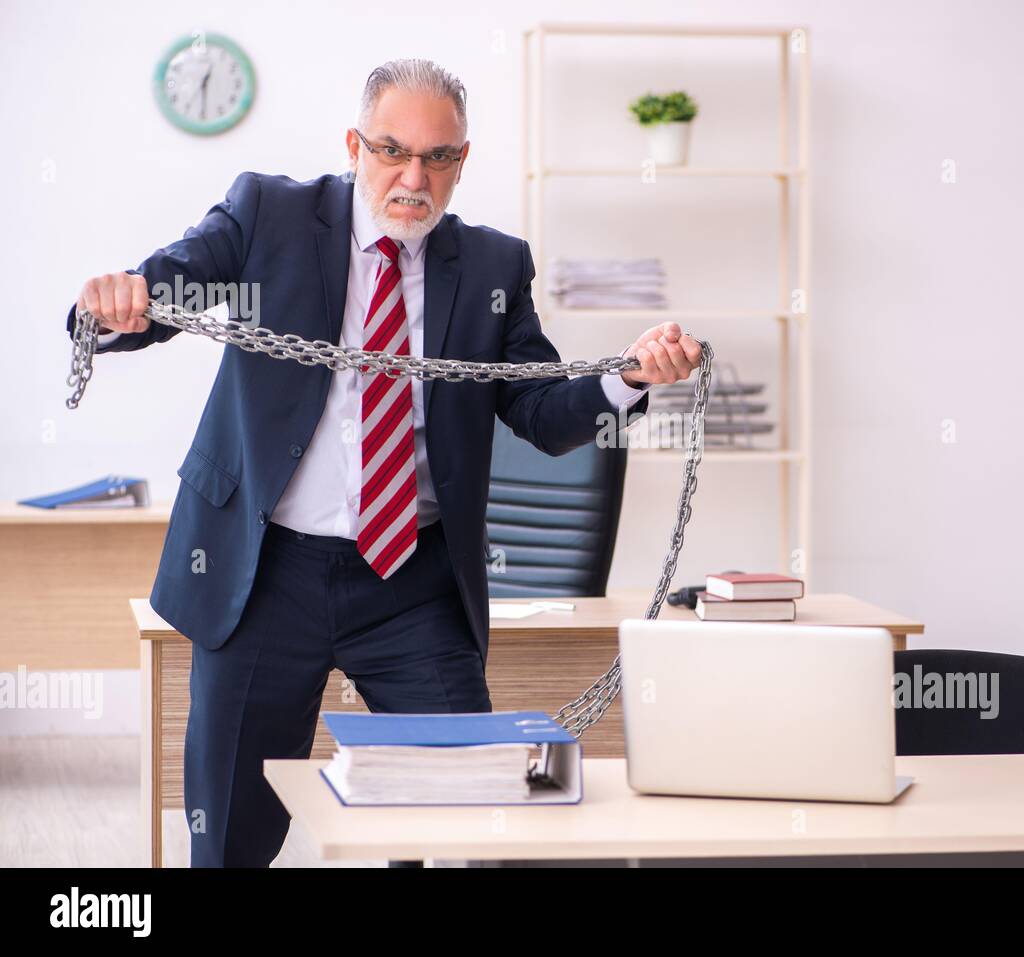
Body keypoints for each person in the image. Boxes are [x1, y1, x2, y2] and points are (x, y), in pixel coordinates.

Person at [68, 58, 702, 867]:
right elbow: (168, 289)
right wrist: (116, 305)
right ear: (354, 145)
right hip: (263, 573)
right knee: (229, 836)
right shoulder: (271, 213)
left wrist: (629, 375)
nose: (414, 176)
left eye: (439, 158)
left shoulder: (495, 267)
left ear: (462, 163)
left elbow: (538, 410)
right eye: (392, 150)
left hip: (413, 584)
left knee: (471, 809)